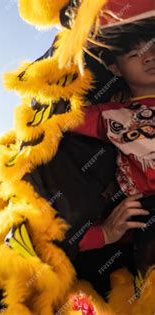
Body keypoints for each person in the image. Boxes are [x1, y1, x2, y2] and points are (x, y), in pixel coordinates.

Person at [75, 31, 155, 252]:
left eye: (153, 45)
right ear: (115, 68)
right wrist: (103, 235)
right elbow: (52, 117)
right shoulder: (111, 115)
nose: (149, 56)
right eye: (133, 54)